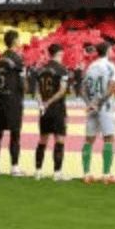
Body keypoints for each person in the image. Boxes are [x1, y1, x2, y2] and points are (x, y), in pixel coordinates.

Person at [0, 30, 27, 176]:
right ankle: (15, 167)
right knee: (15, 134)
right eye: (18, 39)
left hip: (0, 100)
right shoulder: (18, 59)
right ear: (14, 41)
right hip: (14, 101)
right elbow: (24, 85)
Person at [80, 42, 115, 182]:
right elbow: (111, 88)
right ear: (108, 51)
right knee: (108, 138)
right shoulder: (110, 67)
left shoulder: (90, 66)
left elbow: (82, 89)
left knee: (89, 140)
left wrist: (90, 103)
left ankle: (86, 173)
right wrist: (99, 102)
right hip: (105, 106)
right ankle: (106, 175)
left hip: (91, 107)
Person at [32, 44, 69, 180]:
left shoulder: (41, 70)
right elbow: (62, 90)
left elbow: (36, 91)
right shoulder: (62, 70)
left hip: (44, 110)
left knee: (42, 140)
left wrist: (42, 103)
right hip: (57, 108)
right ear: (59, 53)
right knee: (59, 139)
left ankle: (38, 171)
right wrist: (49, 102)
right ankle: (57, 173)